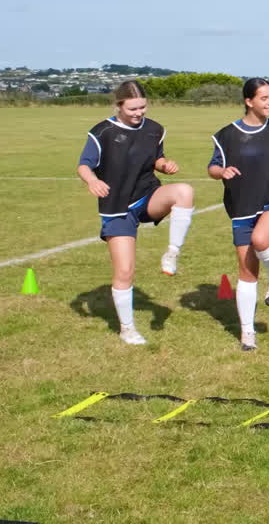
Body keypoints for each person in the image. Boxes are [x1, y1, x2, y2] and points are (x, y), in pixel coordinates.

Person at [75, 80, 195, 345]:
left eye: (142, 107)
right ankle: (127, 329)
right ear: (118, 105)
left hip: (147, 195)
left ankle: (172, 253)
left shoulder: (155, 129)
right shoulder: (103, 132)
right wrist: (92, 181)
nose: (139, 113)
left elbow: (156, 158)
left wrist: (165, 165)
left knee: (184, 191)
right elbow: (84, 165)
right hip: (116, 206)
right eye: (132, 108)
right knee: (125, 272)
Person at [208, 78, 269, 352]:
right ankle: (248, 334)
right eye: (264, 98)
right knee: (247, 272)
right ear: (249, 101)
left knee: (261, 240)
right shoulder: (227, 135)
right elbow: (212, 167)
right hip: (241, 205)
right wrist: (221, 172)